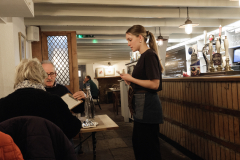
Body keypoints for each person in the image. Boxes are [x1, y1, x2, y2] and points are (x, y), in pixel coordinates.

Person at [0, 58, 81, 140]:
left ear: (17, 76)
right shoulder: (54, 101)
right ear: (42, 75)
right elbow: (73, 128)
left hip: (14, 152)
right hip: (50, 151)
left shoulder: (3, 104)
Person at [120, 25, 164, 160]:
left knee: (148, 149)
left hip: (148, 108)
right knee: (140, 145)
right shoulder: (144, 56)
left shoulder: (149, 55)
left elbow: (155, 84)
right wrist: (131, 82)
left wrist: (132, 79)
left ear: (140, 38)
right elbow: (145, 81)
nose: (128, 44)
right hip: (142, 106)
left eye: (130, 39)